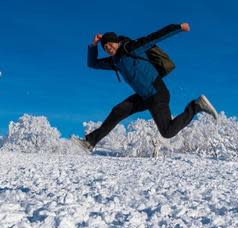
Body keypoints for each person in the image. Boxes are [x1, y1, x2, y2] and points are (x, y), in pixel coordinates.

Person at [73, 23, 217, 152]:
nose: (109, 49)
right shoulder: (115, 62)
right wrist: (93, 45)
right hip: (143, 97)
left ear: (117, 41)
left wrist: (178, 28)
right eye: (105, 48)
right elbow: (92, 64)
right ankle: (89, 142)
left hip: (157, 93)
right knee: (118, 111)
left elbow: (156, 36)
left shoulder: (132, 47)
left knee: (167, 132)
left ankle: (197, 105)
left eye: (110, 44)